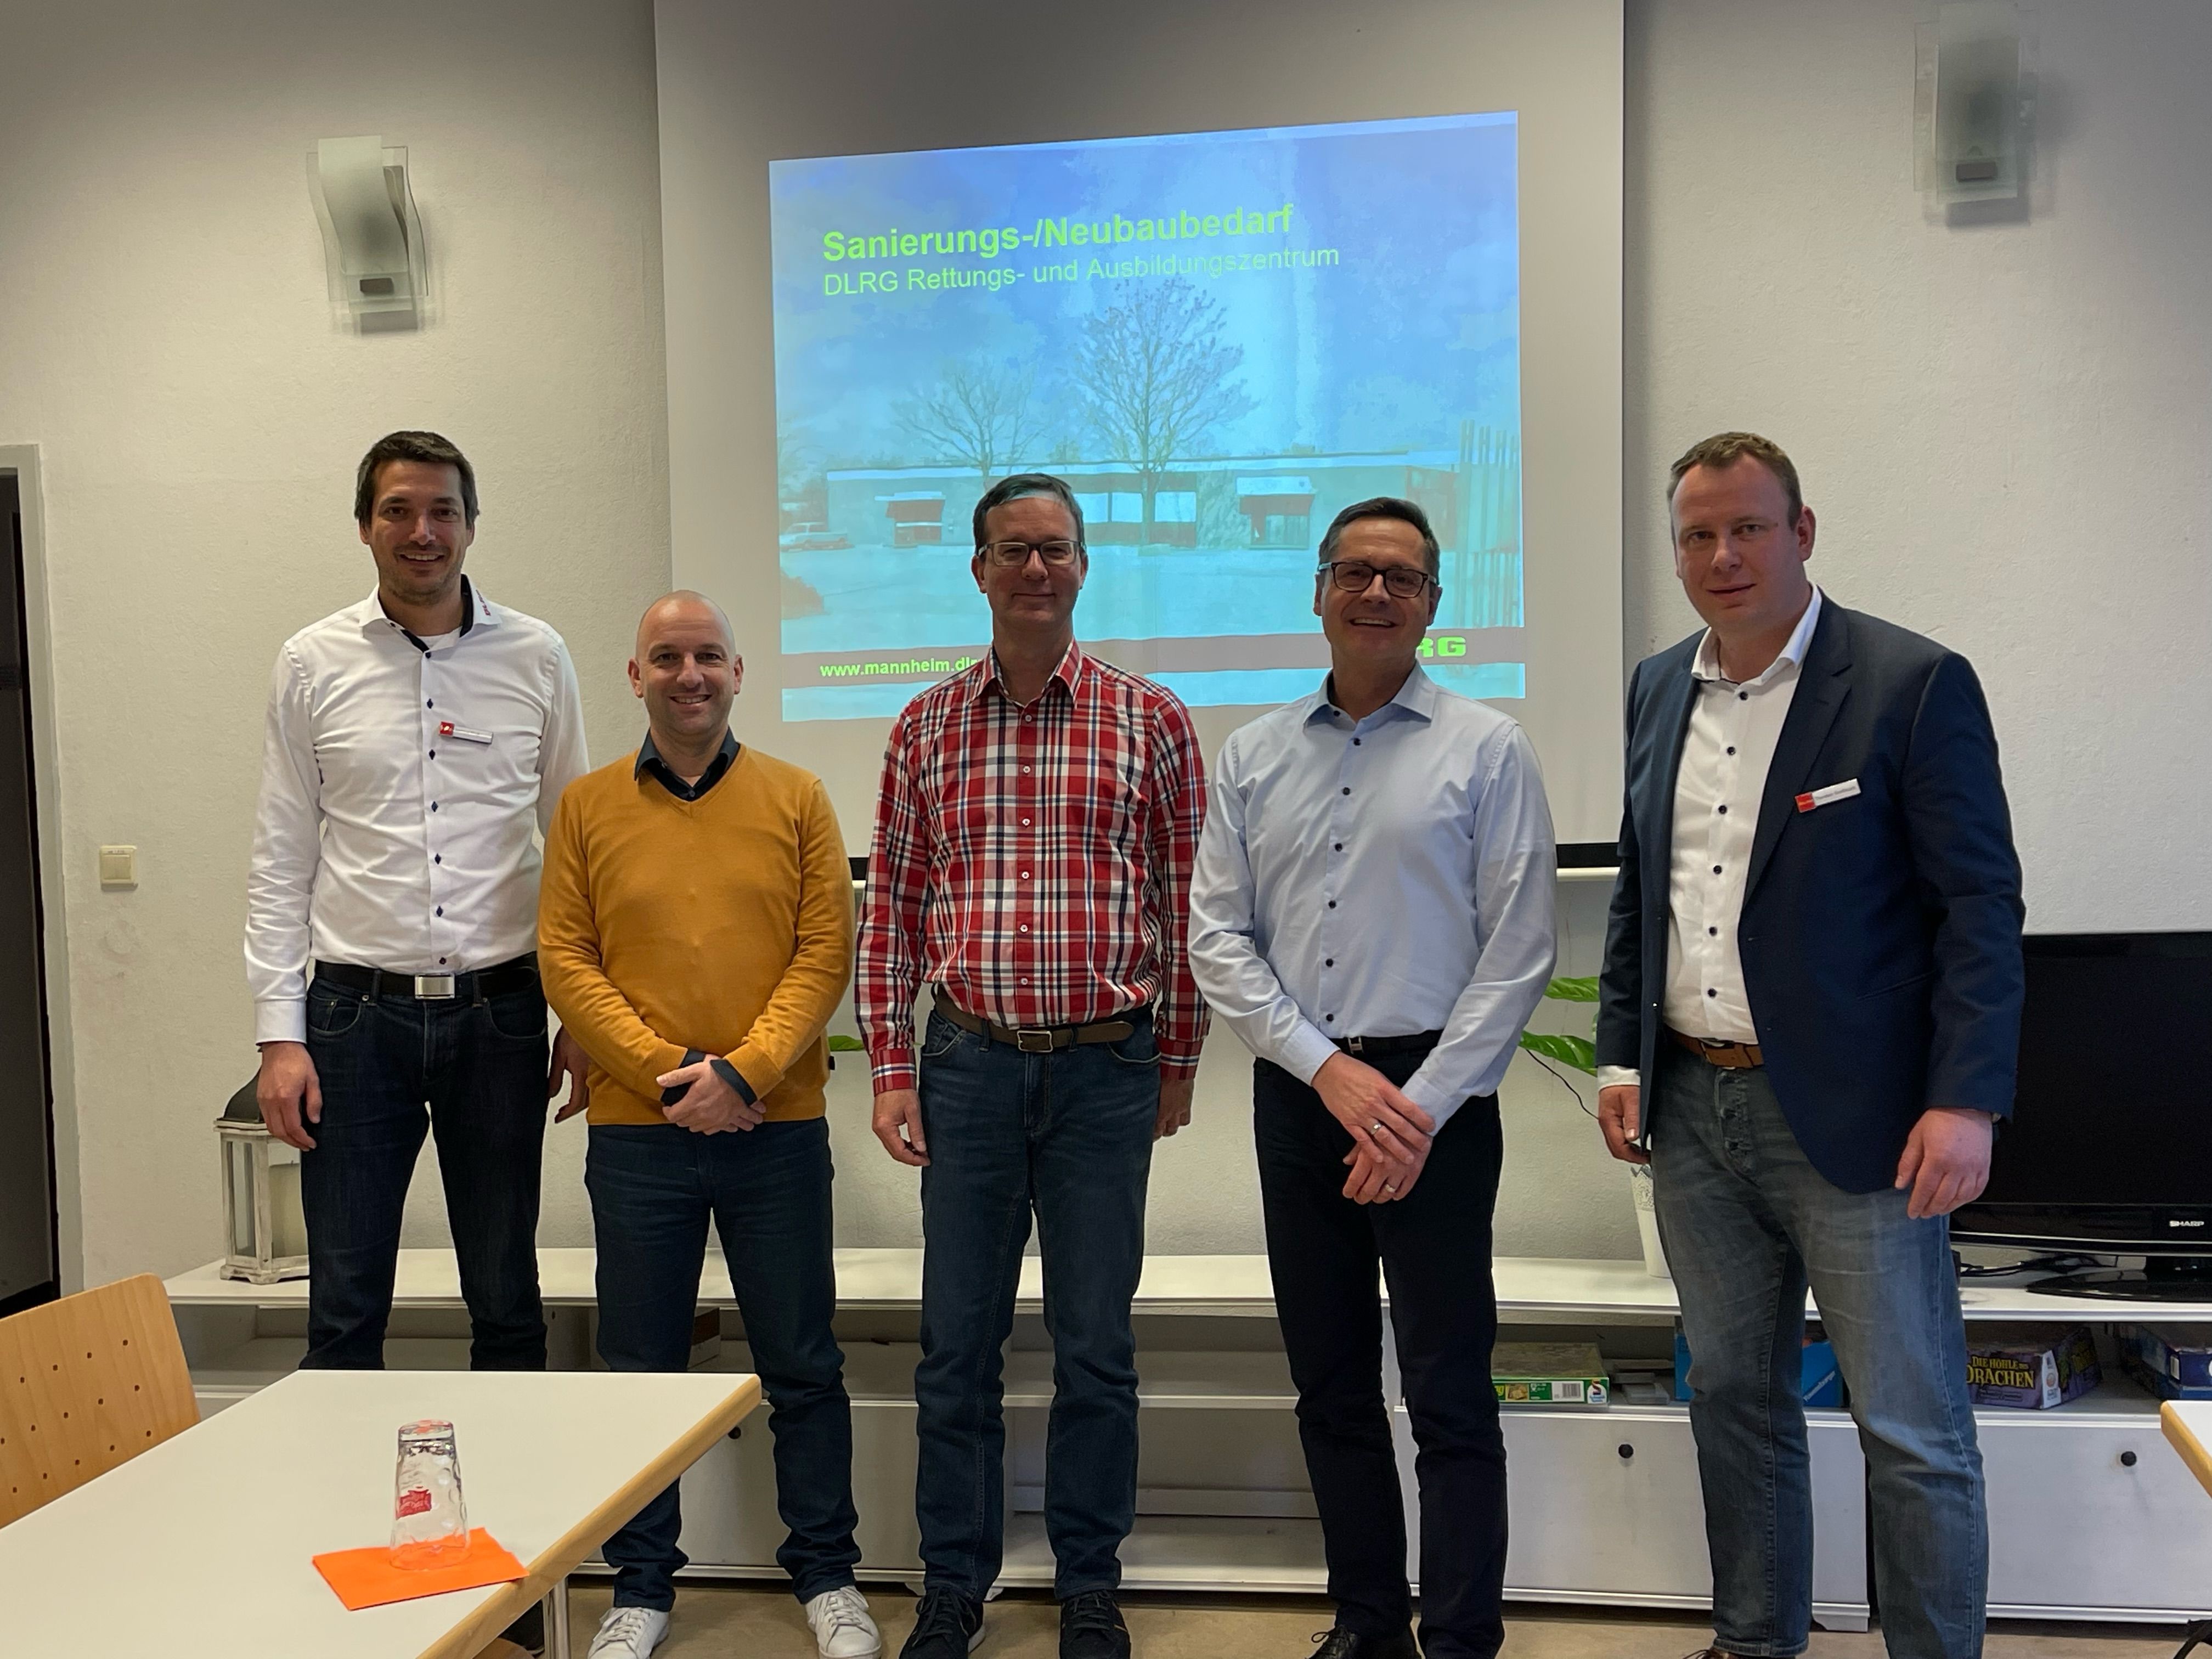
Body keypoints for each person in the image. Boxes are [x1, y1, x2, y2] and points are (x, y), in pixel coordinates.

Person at [1595, 432, 2024, 1659]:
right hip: (1693, 1108)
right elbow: (1641, 888)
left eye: (1748, 528)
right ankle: (1754, 1640)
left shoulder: (1909, 681)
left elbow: (1978, 908)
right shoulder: (1656, 687)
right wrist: (1622, 1057)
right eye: (1697, 535)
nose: (1723, 556)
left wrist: (1966, 1100)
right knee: (1732, 1398)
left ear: (1803, 532)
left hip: (1864, 1121)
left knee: (1910, 1426)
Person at [1188, 498, 1556, 1659]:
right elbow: (1217, 939)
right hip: (1304, 1093)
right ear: (1319, 592)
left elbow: (1520, 949)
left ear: (1435, 603)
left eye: (1403, 577)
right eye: (1355, 572)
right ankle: (1366, 1620)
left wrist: (1418, 1107)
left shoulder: (1488, 747)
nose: (1377, 593)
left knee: (1450, 1391)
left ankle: (1461, 1636)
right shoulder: (1252, 755)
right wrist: (1327, 1073)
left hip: (1437, 1098)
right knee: (1332, 1385)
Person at [855, 473, 1209, 1659]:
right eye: (1013, 550)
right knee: (956, 1347)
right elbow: (894, 912)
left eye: (1055, 549)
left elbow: (1183, 904)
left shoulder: (1150, 719)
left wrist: (1179, 1056)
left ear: (1083, 566)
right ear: (979, 570)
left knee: (1095, 1348)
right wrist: (890, 1066)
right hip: (967, 1068)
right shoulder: (924, 727)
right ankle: (952, 1587)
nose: (1035, 569)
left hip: (1107, 1071)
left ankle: (1088, 1585)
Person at [538, 591, 876, 1659]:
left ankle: (828, 1577)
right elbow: (566, 959)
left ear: (738, 674)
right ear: (636, 676)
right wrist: (673, 1073)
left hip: (778, 1130)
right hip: (639, 1139)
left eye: (709, 657)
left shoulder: (799, 797)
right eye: (668, 657)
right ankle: (641, 1588)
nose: (690, 675)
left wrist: (743, 1072)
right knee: (640, 1368)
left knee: (802, 1364)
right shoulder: (587, 808)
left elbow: (825, 952)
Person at [246, 430, 591, 1372]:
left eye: (442, 510)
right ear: (365, 526)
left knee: (507, 1299)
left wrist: (582, 1011)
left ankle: (514, 1474)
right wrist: (279, 1037)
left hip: (502, 1016)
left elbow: (578, 849)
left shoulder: (537, 655)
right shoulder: (311, 663)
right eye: (397, 510)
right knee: (344, 1306)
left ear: (472, 525)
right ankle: (342, 1472)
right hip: (352, 1022)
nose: (422, 531)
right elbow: (281, 858)